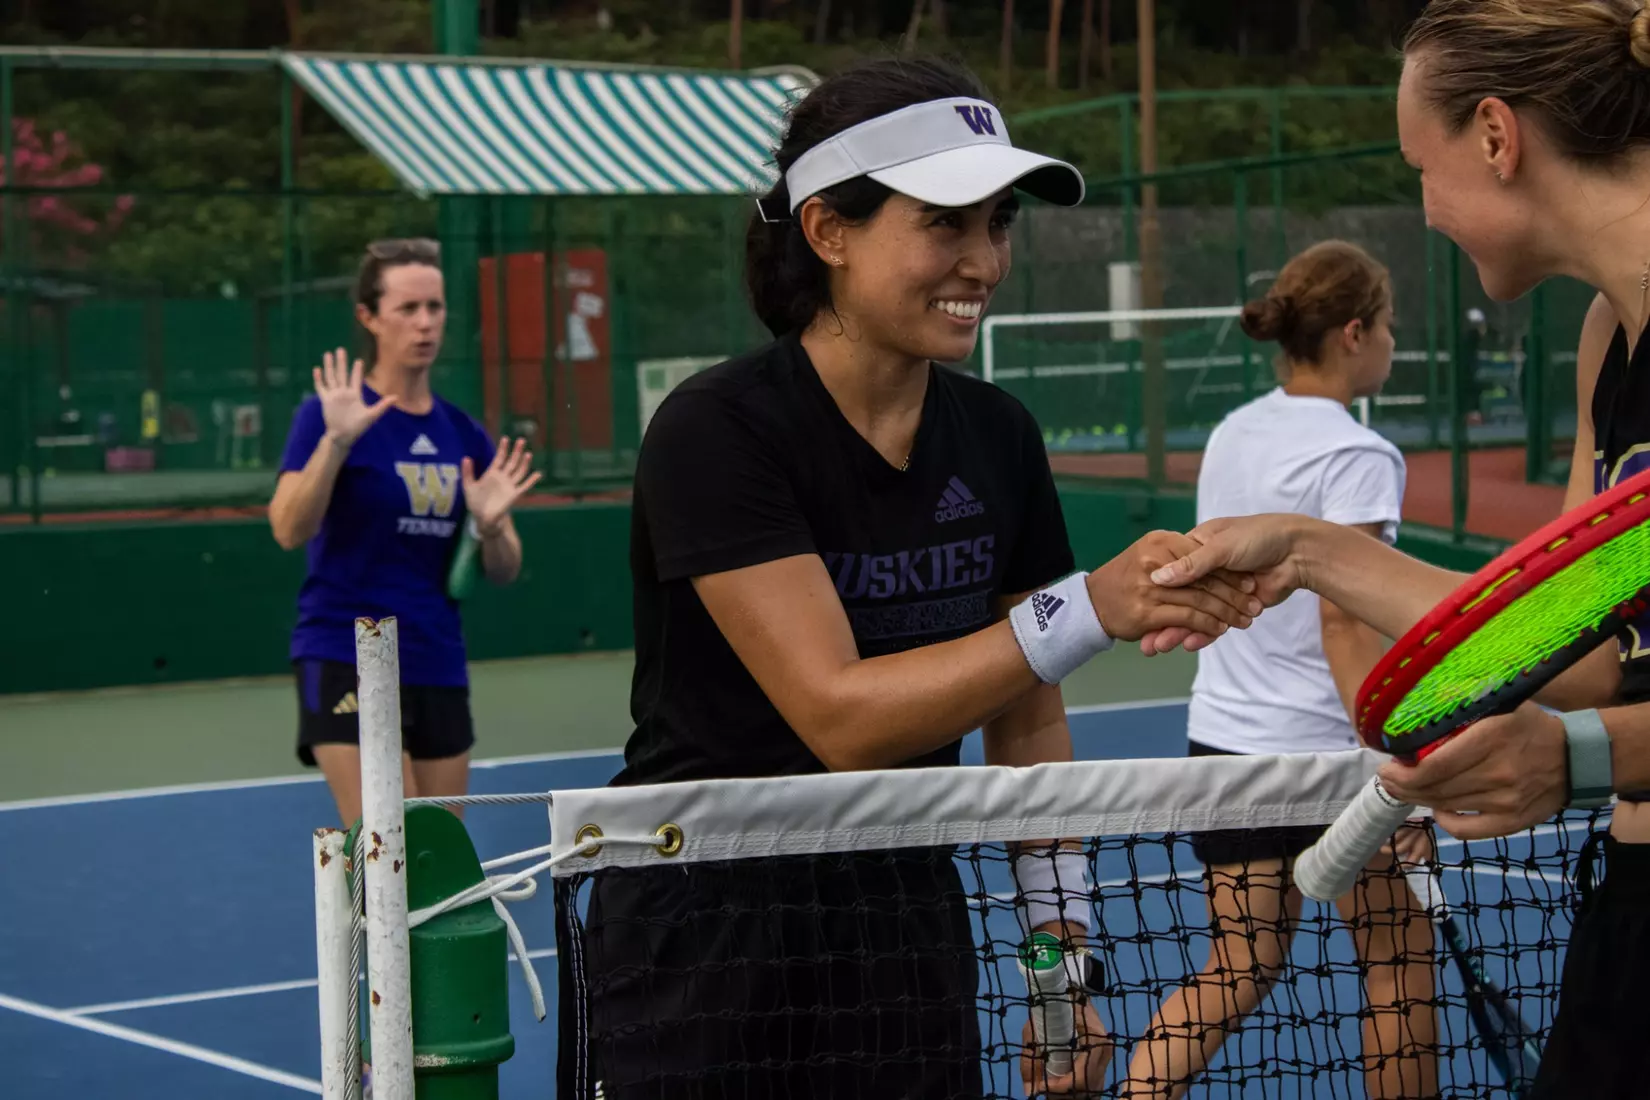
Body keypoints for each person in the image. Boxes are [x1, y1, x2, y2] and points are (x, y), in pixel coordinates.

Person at [570, 56, 1263, 1100]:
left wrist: (1057, 970)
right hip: (702, 924)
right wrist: (1089, 605)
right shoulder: (717, 433)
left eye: (999, 223)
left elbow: (1028, 725)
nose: (983, 261)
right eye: (946, 222)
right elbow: (839, 716)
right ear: (828, 232)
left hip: (903, 914)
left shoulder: (998, 435)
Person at [1146, 4, 1650, 1093]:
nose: (1424, 207)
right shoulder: (1609, 339)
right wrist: (1313, 550)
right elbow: (1588, 646)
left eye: (1421, 165)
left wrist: (1581, 757)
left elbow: (1589, 712)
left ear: (1497, 136)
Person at [1122, 242, 1438, 1099]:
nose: (1393, 342)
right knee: (1397, 956)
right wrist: (1397, 757)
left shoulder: (1233, 431)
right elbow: (1348, 617)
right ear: (1353, 333)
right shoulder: (1360, 453)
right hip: (1326, 760)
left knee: (1240, 965)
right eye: (1390, 327)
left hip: (1220, 745)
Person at [269, 239, 540, 828]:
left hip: (435, 657)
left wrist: (492, 529)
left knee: (440, 858)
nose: (425, 324)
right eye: (408, 309)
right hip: (346, 653)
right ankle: (351, 925)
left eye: (435, 308)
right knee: (389, 844)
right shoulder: (327, 414)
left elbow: (506, 567)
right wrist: (336, 444)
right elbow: (288, 528)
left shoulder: (462, 433)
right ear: (369, 317)